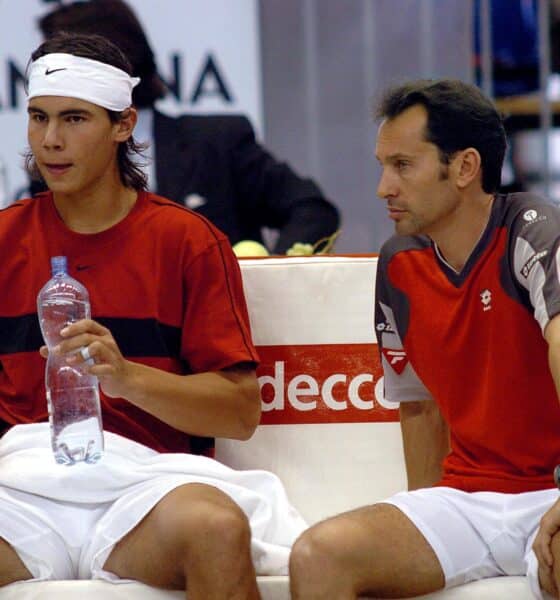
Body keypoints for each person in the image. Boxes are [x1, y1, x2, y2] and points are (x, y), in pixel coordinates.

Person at [0, 31, 306, 599]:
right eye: (38, 117)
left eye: (74, 119)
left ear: (124, 125)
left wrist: (125, 377)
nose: (50, 140)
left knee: (216, 528)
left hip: (148, 486)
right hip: (22, 487)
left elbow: (239, 412)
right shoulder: (2, 239)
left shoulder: (187, 241)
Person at [288, 78, 560, 599]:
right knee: (317, 556)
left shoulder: (532, 228)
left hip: (551, 489)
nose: (383, 187)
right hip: (464, 497)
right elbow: (418, 408)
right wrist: (421, 530)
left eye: (403, 165)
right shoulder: (399, 262)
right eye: (382, 165)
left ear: (463, 168)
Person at [31, 0, 340, 255]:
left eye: (68, 62)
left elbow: (312, 211)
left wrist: (266, 277)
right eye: (40, 117)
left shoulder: (218, 142)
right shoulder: (54, 163)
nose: (52, 138)